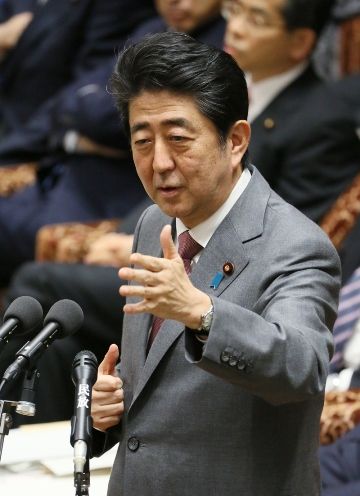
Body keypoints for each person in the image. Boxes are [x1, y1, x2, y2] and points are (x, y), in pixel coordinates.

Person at [90, 31, 340, 496]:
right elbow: (161, 384)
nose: (159, 162)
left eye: (179, 139)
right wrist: (113, 405)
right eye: (142, 141)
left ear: (236, 140)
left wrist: (203, 312)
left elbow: (302, 368)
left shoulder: (297, 245)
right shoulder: (155, 224)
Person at [0, 0, 225, 424]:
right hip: (122, 205)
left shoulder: (220, 50)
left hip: (194, 270)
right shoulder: (150, 27)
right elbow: (74, 102)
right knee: (57, 345)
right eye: (144, 140)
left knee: (37, 282)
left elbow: (104, 115)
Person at [222, 0, 360, 223]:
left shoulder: (322, 124)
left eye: (257, 20)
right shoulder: (224, 81)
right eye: (234, 10)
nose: (235, 28)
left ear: (300, 42)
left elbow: (283, 237)